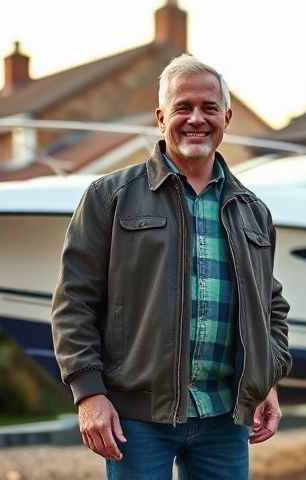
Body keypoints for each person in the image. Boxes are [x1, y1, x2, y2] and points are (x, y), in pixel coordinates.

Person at [51, 54, 291, 480]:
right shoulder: (110, 197)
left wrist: (265, 379)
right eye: (183, 107)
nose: (196, 118)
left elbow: (270, 307)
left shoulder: (254, 211)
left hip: (224, 417)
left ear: (226, 117)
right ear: (161, 117)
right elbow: (75, 302)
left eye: (209, 107)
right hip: (138, 419)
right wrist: (89, 395)